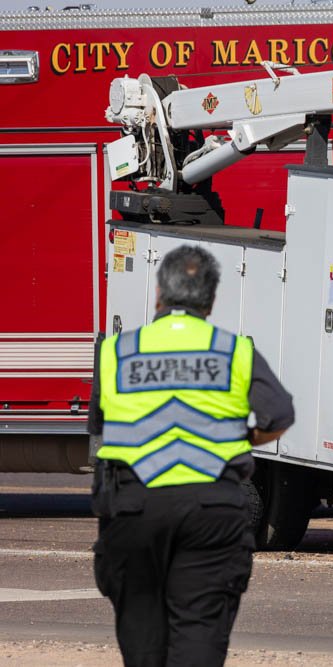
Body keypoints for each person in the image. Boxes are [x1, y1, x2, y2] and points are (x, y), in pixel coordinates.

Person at [88, 244, 294, 666]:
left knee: (142, 639)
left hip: (135, 505)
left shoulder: (116, 352)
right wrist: (238, 438)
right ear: (212, 300)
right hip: (212, 506)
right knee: (199, 632)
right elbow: (280, 413)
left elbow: (100, 425)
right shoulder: (234, 350)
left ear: (159, 296)